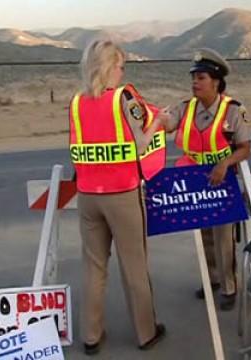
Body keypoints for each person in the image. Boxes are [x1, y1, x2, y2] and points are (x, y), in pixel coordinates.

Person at [69, 38, 168, 355]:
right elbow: (141, 143)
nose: (123, 73)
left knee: (93, 268)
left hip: (87, 195)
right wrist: (161, 123)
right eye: (122, 66)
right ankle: (146, 332)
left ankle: (91, 336)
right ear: (111, 66)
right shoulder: (124, 98)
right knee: (134, 266)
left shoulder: (76, 102)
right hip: (122, 194)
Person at [164, 48, 251, 311]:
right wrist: (156, 119)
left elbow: (245, 148)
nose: (194, 82)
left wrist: (225, 163)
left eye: (200, 77)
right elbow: (167, 125)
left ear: (216, 81)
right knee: (203, 236)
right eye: (193, 77)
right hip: (193, 180)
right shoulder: (185, 107)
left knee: (224, 238)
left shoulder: (233, 110)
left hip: (221, 181)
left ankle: (229, 287)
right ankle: (211, 279)